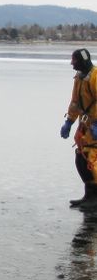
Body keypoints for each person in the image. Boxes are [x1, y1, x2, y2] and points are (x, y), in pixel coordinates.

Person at [60, 48, 97, 208]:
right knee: (81, 157)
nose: (71, 63)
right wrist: (69, 121)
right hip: (86, 124)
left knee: (92, 160)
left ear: (81, 60)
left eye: (74, 60)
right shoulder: (79, 78)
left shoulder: (95, 77)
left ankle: (95, 197)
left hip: (95, 124)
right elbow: (75, 102)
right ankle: (89, 195)